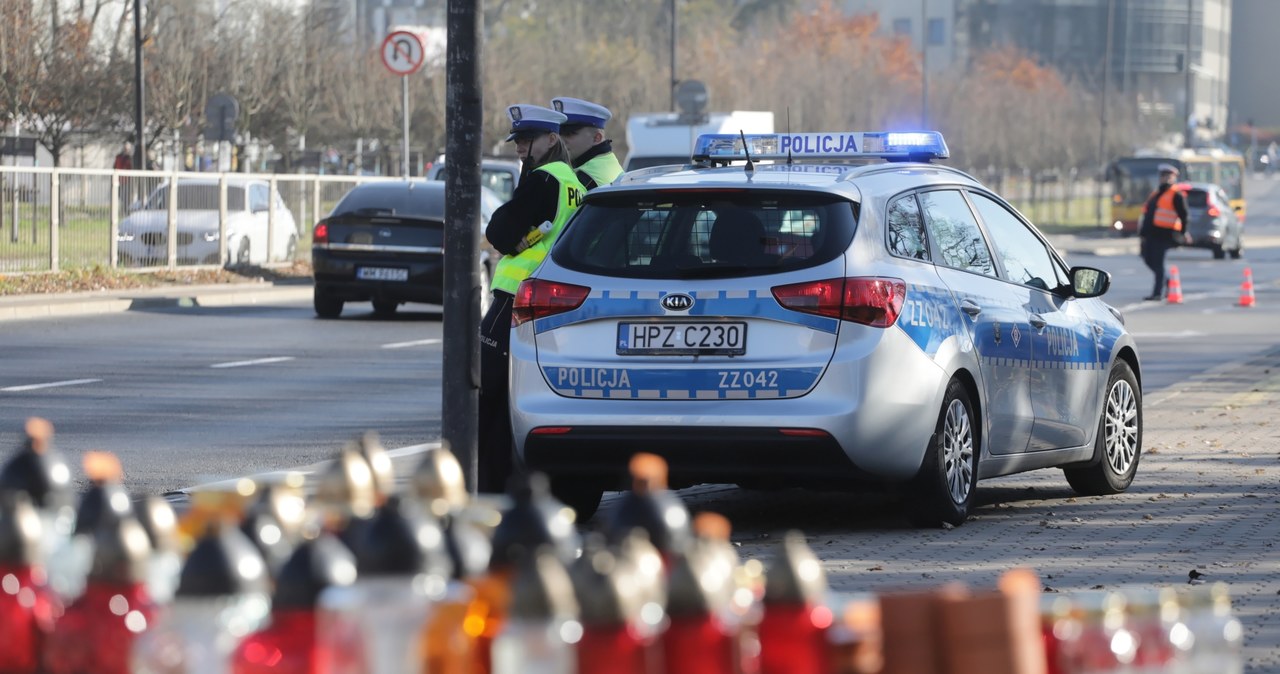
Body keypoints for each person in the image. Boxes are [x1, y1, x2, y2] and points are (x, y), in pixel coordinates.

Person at [477, 104, 586, 493]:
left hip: (514, 295)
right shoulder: (573, 181)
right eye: (518, 141)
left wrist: (505, 235)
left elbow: (501, 231)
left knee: (488, 392)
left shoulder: (543, 180)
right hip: (546, 298)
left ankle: (490, 486)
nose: (521, 148)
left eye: (528, 141)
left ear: (552, 139)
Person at [1138, 163, 1191, 301]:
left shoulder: (1176, 195)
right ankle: (1168, 283)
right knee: (1148, 259)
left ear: (1174, 178)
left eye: (1169, 176)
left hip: (1165, 234)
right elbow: (1148, 214)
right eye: (1163, 176)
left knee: (1158, 263)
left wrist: (1184, 232)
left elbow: (1184, 215)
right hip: (1150, 234)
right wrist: (1143, 233)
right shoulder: (1156, 193)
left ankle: (1157, 293)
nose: (1165, 179)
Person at [551, 96, 623, 190]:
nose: (561, 140)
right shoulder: (607, 162)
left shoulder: (585, 178)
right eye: (559, 134)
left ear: (597, 138)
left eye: (569, 134)